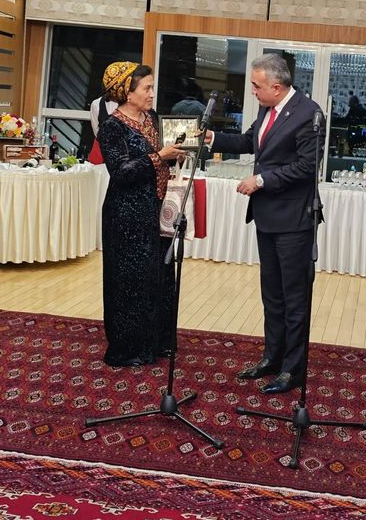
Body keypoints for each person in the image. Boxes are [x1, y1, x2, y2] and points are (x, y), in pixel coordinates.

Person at [203, 53, 325, 394]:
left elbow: (307, 167)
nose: (252, 92)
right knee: (272, 295)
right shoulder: (266, 108)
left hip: (294, 221)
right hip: (267, 218)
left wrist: (261, 180)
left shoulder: (309, 114)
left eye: (256, 86)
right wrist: (213, 138)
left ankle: (292, 370)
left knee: (294, 299)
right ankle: (272, 357)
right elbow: (249, 141)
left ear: (277, 86)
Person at [97, 61, 186, 367]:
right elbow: (121, 171)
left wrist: (176, 155)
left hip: (157, 210)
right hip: (126, 215)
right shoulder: (112, 127)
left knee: (159, 276)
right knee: (130, 282)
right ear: (127, 92)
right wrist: (159, 156)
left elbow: (162, 159)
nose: (151, 94)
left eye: (152, 87)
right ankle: (128, 348)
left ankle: (158, 342)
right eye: (146, 88)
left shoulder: (153, 118)